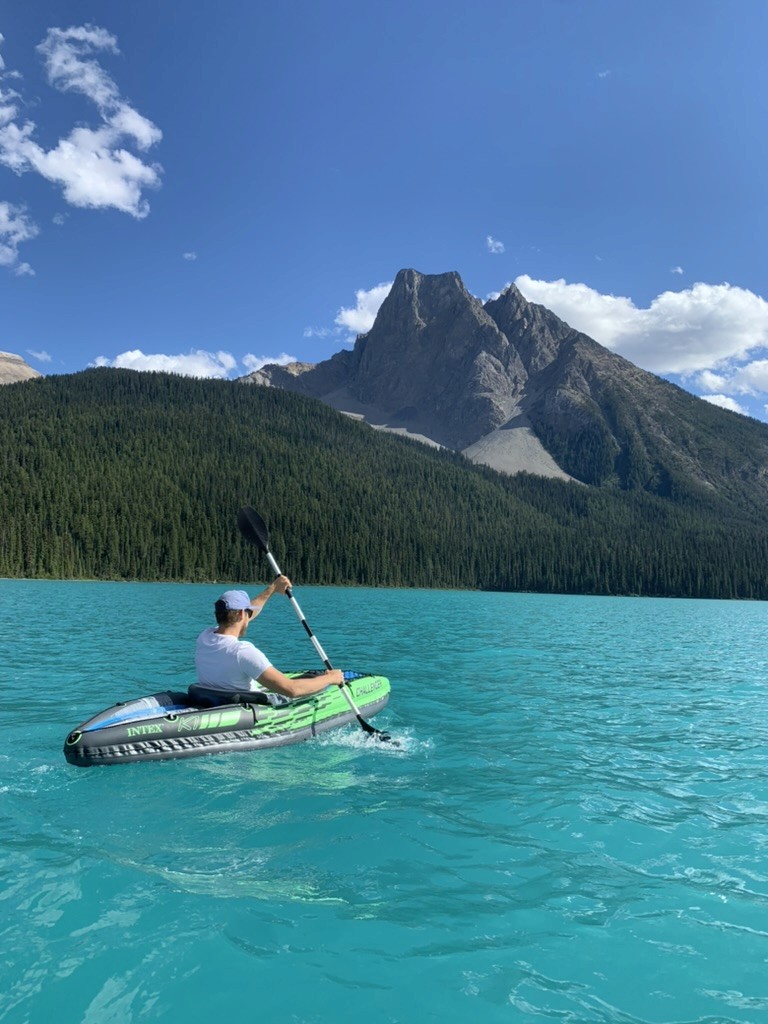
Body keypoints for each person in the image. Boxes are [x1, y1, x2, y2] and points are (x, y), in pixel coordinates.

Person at [193, 580, 345, 704]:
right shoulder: (242, 652)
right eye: (248, 612)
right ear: (240, 614)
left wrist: (273, 588)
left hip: (215, 699)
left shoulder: (205, 637)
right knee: (312, 684)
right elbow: (291, 689)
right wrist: (330, 678)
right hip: (250, 706)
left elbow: (241, 618)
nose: (250, 617)